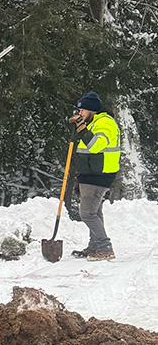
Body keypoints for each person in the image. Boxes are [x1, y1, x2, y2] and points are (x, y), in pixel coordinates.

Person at [67, 91, 121, 260]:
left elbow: (96, 145)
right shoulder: (93, 123)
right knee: (95, 212)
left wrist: (83, 129)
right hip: (90, 173)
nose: (80, 113)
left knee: (87, 213)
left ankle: (105, 247)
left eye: (82, 110)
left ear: (92, 110)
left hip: (99, 174)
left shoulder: (105, 123)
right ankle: (95, 245)